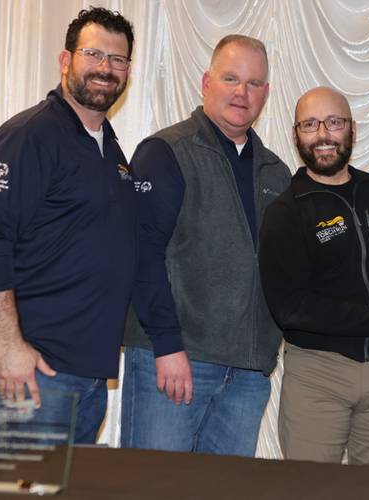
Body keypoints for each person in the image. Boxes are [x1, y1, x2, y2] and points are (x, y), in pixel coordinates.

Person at [0, 7, 136, 444]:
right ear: (65, 60)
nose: (105, 68)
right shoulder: (29, 135)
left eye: (117, 59)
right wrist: (9, 345)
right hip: (32, 373)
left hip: (85, 376)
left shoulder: (110, 148)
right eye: (93, 54)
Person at [120, 35, 291, 456]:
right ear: (205, 82)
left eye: (254, 83)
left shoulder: (276, 172)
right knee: (153, 489)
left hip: (248, 376)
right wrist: (168, 346)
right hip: (176, 361)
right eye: (231, 78)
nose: (241, 92)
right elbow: (143, 255)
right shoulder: (165, 152)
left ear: (266, 93)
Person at [258, 86, 369, 465]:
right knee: (311, 490)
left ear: (352, 129)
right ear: (296, 135)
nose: (323, 134)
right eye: (310, 124)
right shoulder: (286, 211)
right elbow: (290, 308)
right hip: (319, 374)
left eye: (334, 122)